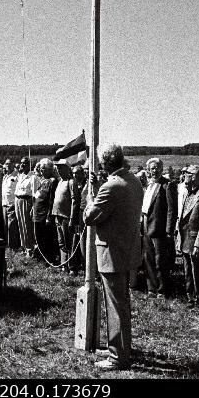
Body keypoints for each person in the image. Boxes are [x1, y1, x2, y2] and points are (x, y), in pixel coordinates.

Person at [84, 143, 142, 371]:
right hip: (127, 249)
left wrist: (92, 196)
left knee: (116, 305)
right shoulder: (133, 180)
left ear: (105, 163)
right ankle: (119, 347)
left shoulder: (111, 187)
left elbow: (91, 217)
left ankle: (118, 356)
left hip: (112, 252)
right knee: (121, 303)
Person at [176, 164, 199, 309]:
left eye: (187, 173)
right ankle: (190, 297)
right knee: (187, 272)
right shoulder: (186, 193)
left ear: (194, 177)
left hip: (195, 241)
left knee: (197, 272)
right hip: (185, 239)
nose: (184, 175)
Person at [140, 158, 177, 298]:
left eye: (157, 168)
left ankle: (162, 290)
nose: (155, 170)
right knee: (148, 258)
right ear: (148, 170)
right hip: (145, 224)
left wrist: (169, 231)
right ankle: (151, 288)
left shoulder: (167, 185)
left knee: (160, 260)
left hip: (159, 227)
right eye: (152, 168)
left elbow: (172, 210)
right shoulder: (148, 186)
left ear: (162, 169)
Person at [14, 157, 40, 257]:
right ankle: (24, 246)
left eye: (25, 163)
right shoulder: (20, 176)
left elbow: (35, 193)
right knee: (20, 224)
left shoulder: (33, 177)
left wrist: (33, 206)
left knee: (27, 225)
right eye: (21, 163)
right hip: (18, 200)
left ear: (29, 165)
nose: (22, 165)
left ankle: (30, 248)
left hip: (27, 201)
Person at [0, 159, 21, 250]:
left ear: (13, 165)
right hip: (4, 204)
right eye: (6, 164)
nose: (7, 165)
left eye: (9, 163)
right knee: (5, 226)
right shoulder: (5, 176)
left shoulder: (17, 176)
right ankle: (8, 245)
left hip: (12, 204)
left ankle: (14, 246)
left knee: (12, 226)